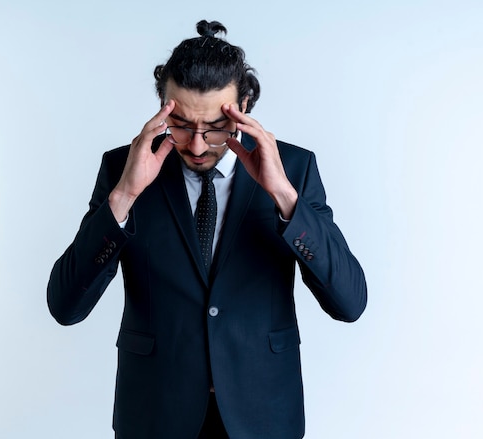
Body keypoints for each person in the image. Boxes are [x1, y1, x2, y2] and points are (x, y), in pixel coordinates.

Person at [47, 19, 367, 439]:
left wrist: (286, 198)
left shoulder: (294, 168)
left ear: (244, 105)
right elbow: (65, 306)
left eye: (216, 127)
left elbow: (350, 302)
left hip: (263, 413)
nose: (197, 146)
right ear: (162, 105)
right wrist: (124, 195)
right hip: (155, 413)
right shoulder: (122, 168)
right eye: (180, 124)